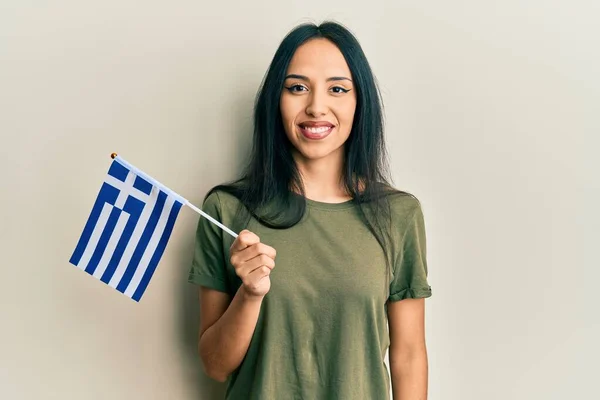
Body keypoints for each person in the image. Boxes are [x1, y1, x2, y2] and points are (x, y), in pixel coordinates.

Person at [188, 20, 432, 400]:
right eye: (297, 88)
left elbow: (409, 355)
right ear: (276, 100)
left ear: (359, 101)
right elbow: (216, 366)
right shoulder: (227, 209)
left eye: (337, 89)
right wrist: (250, 294)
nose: (316, 107)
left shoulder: (398, 215)